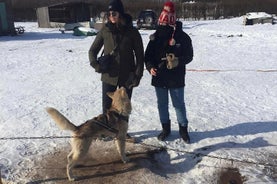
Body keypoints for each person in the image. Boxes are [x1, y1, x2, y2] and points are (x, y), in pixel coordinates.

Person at [144, 1, 193, 143]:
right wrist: (150, 67)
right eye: (162, 23)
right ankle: (166, 129)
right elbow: (148, 57)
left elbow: (189, 55)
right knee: (162, 104)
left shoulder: (182, 37)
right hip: (159, 77)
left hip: (176, 78)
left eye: (167, 23)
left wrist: (178, 61)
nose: (164, 25)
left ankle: (183, 130)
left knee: (178, 104)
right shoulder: (155, 37)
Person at [89, 0, 144, 115]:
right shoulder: (105, 30)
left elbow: (140, 56)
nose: (111, 16)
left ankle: (122, 132)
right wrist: (97, 65)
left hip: (127, 76)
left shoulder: (132, 32)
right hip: (109, 75)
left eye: (114, 13)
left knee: (124, 108)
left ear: (120, 14)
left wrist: (137, 75)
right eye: (108, 14)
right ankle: (108, 131)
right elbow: (92, 50)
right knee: (107, 108)